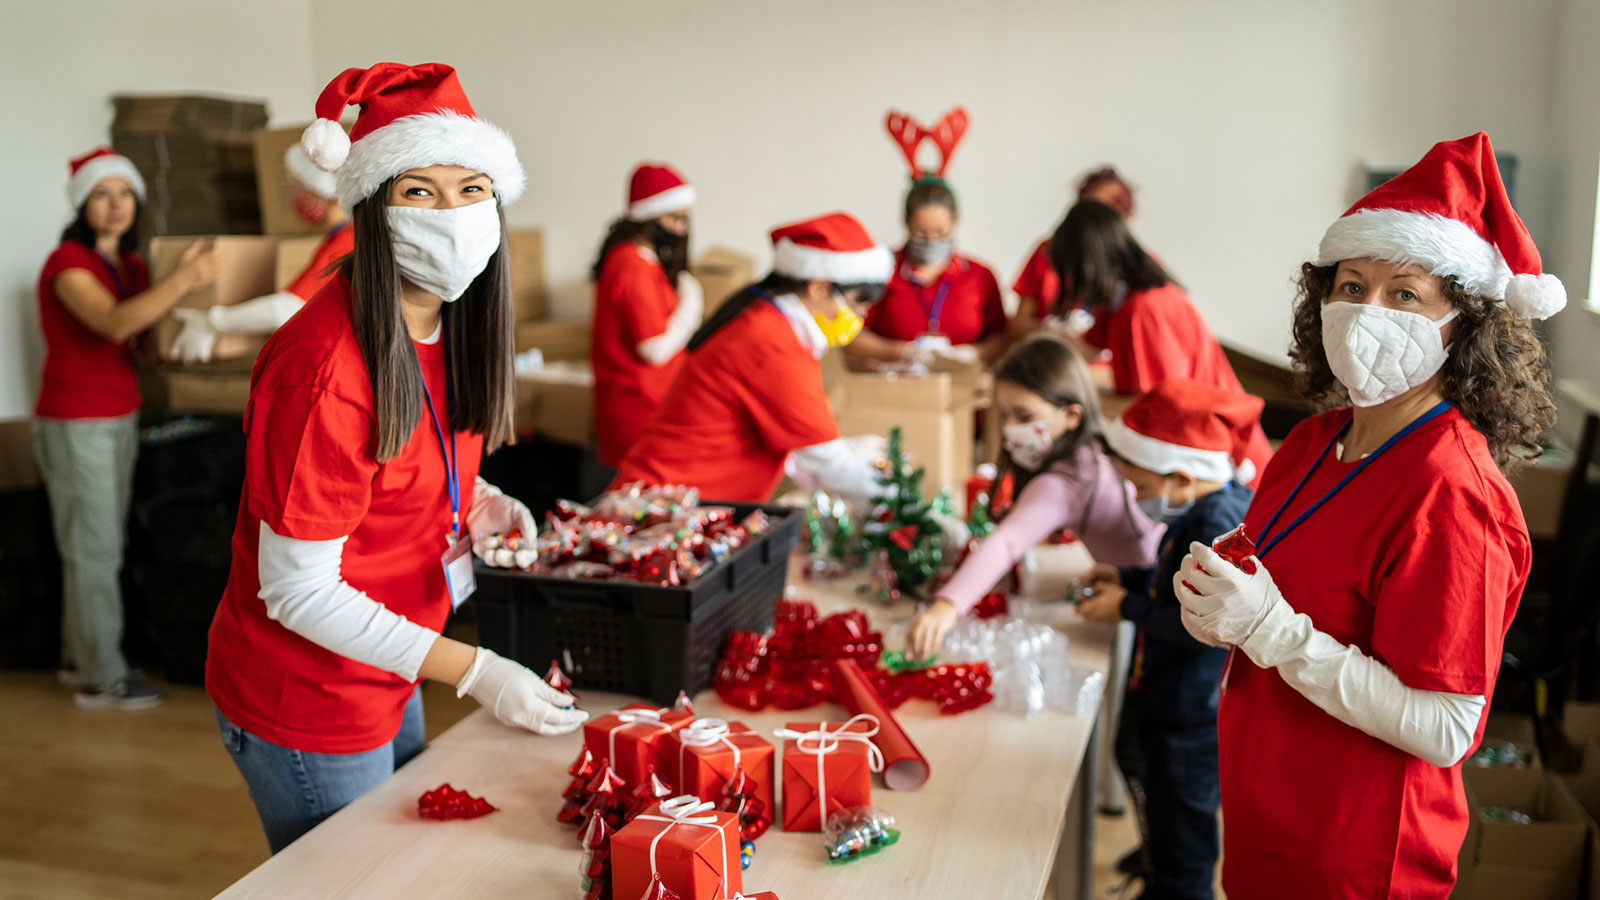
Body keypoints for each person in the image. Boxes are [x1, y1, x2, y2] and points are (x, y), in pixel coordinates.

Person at [205, 62, 587, 854]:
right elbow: (297, 588)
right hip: (311, 692)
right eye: (419, 191)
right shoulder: (323, 367)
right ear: (373, 210)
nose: (451, 214)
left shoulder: (452, 327)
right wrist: (477, 672)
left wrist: (476, 498)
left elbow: (399, 464)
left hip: (391, 659)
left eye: (471, 189)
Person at [1174, 133, 1560, 899]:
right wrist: (1220, 597)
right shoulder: (1316, 441)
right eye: (1349, 286)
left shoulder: (1454, 493)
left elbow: (1446, 728)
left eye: (1404, 294)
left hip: (1356, 857)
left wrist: (1270, 630)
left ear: (1466, 323)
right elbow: (1286, 574)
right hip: (1264, 824)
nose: (1364, 311)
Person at [34, 146, 220, 708]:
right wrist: (186, 279)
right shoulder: (67, 263)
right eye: (100, 194)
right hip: (75, 422)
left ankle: (80, 656)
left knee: (100, 545)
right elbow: (115, 324)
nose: (115, 205)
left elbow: (140, 341)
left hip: (118, 415)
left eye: (123, 194)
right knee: (94, 550)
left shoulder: (131, 267)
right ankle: (102, 677)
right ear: (82, 204)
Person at [1073, 379, 1265, 900]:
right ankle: (1157, 868)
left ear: (1181, 478)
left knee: (1184, 838)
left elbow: (1205, 625)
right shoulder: (1201, 511)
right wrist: (1131, 581)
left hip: (1190, 720)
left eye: (1138, 487)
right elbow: (1175, 586)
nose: (1135, 498)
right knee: (1155, 802)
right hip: (1164, 701)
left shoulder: (1219, 526)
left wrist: (1129, 608)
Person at [905, 333, 1161, 658]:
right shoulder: (1090, 452)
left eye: (1024, 417)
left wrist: (946, 607)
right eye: (1005, 415)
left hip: (1149, 603)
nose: (1011, 429)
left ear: (1072, 416)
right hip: (1138, 583)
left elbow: (1006, 542)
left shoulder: (1068, 481)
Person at [612, 212, 890, 503]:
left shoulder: (769, 322)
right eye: (858, 304)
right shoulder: (772, 343)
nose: (859, 317)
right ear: (819, 288)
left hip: (676, 496)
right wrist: (906, 505)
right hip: (663, 504)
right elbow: (831, 466)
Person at [1048, 201, 1272, 484]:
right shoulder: (1119, 302)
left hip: (1221, 465)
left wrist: (1085, 398)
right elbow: (1082, 348)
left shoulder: (1147, 310)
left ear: (1086, 264)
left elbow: (1157, 406)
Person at [168, 144, 353, 363]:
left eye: (301, 185)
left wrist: (211, 322)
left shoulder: (347, 239)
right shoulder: (339, 235)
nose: (297, 194)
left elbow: (285, 309)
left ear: (323, 192)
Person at [590, 162, 703, 466]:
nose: (681, 229)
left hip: (654, 402)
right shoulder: (631, 265)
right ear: (648, 217)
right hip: (638, 409)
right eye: (674, 218)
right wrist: (690, 309)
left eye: (685, 220)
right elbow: (653, 348)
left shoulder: (646, 262)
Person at [1009, 166, 1136, 338]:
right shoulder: (1049, 250)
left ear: (1126, 219)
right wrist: (1052, 329)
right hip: (1050, 356)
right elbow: (1018, 325)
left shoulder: (1139, 267)